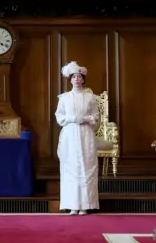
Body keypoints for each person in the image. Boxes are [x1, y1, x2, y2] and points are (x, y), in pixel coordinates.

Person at [55, 61, 99, 216]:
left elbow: (96, 116)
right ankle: (72, 204)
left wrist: (86, 118)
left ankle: (85, 205)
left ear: (83, 79)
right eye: (74, 77)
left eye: (80, 77)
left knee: (86, 167)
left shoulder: (90, 97)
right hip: (70, 134)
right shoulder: (64, 98)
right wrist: (72, 118)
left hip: (86, 134)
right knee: (71, 167)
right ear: (70, 79)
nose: (77, 79)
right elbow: (59, 116)